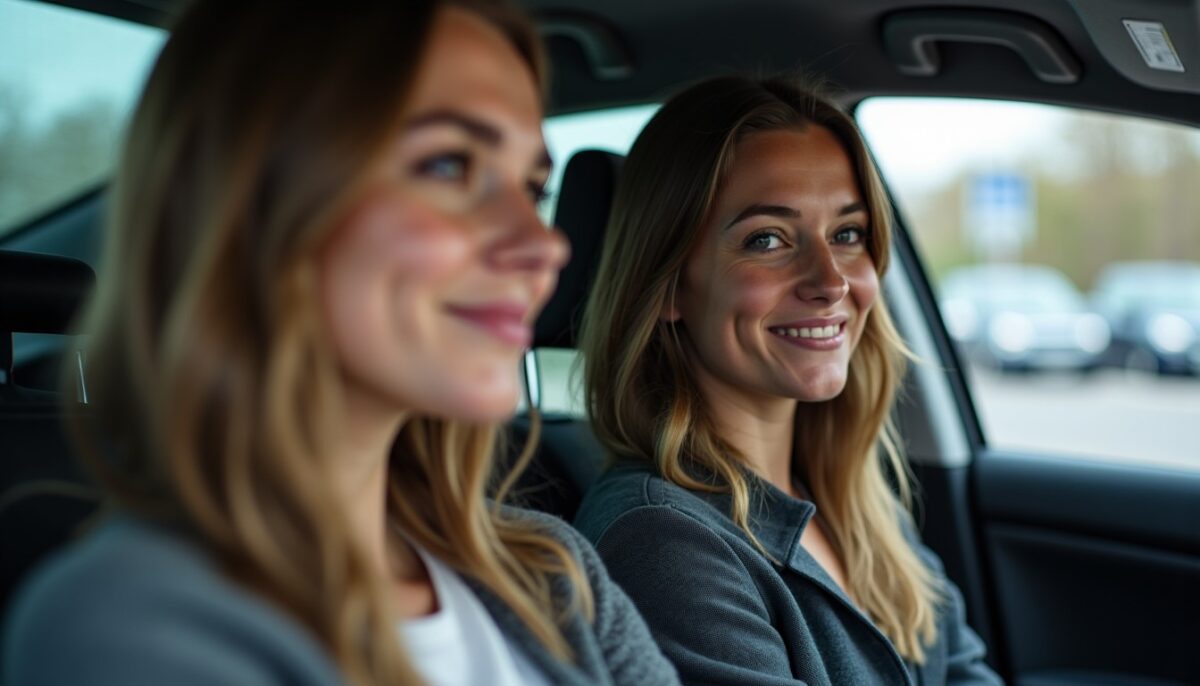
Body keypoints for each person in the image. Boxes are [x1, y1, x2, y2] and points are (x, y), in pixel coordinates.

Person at [2, 2, 679, 685]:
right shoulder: (131, 628)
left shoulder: (548, 571)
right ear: (252, 207)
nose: (545, 245)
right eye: (449, 166)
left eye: (532, 189)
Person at [573, 75, 1004, 685]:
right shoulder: (663, 540)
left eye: (847, 234)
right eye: (768, 239)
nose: (830, 281)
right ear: (668, 283)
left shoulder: (854, 499)